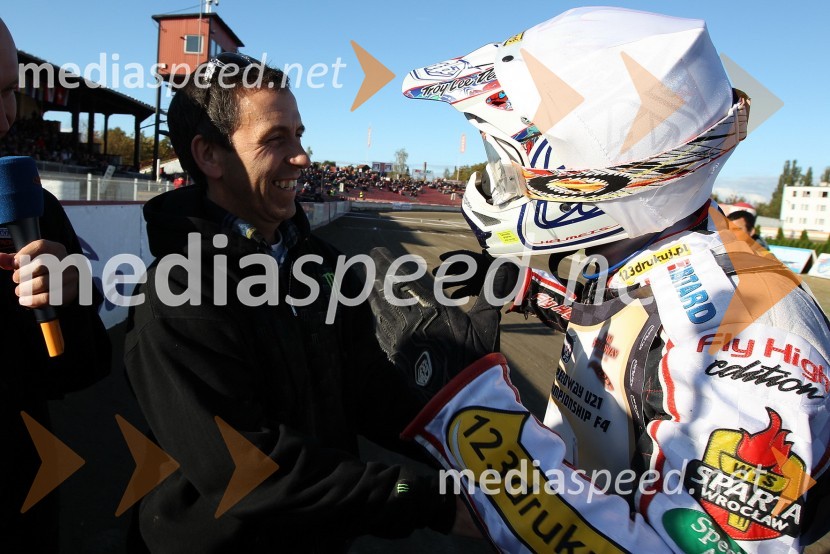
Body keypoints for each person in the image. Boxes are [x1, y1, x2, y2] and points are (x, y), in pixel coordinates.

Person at [393, 7, 829, 552]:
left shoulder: (748, 342)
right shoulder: (662, 249)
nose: (501, 181)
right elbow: (639, 326)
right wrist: (530, 292)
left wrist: (472, 412)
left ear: (600, 167)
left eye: (510, 161)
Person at [123, 53, 477, 551]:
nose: (303, 156)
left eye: (299, 134)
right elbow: (249, 471)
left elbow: (367, 387)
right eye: (275, 139)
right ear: (209, 156)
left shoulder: (322, 264)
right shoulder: (175, 294)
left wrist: (463, 434)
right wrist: (425, 499)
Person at [0, 17, 110, 552]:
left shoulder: (33, 210)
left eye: (9, 93)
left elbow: (80, 368)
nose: (5, 115)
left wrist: (71, 297)